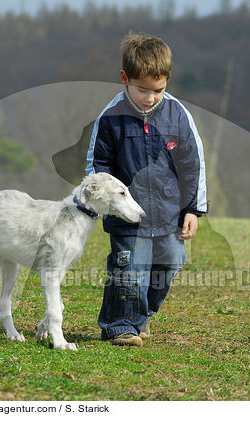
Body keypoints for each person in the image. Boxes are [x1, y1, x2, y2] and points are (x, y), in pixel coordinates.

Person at [86, 33, 207, 346]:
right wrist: (104, 204)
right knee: (129, 268)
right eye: (143, 90)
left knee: (170, 262)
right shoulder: (110, 118)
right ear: (125, 78)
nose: (151, 97)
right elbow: (97, 167)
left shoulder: (178, 114)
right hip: (127, 216)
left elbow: (193, 165)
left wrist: (192, 209)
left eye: (159, 90)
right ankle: (121, 327)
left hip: (169, 214)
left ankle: (143, 314)